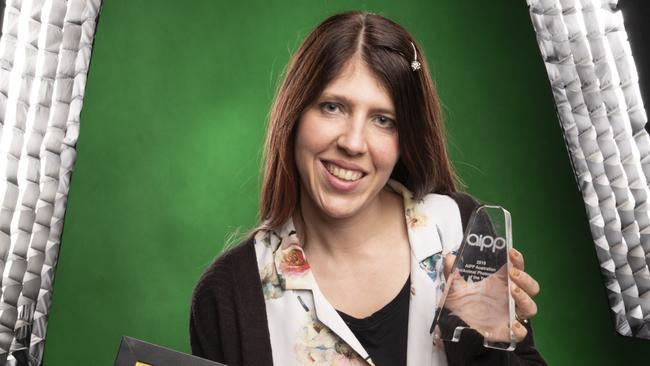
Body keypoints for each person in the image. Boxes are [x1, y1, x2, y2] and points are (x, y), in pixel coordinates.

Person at [190, 11, 546, 366]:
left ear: (405, 138)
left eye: (383, 120)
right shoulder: (229, 294)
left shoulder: (460, 231)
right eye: (332, 107)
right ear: (294, 114)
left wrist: (492, 344)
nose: (354, 142)